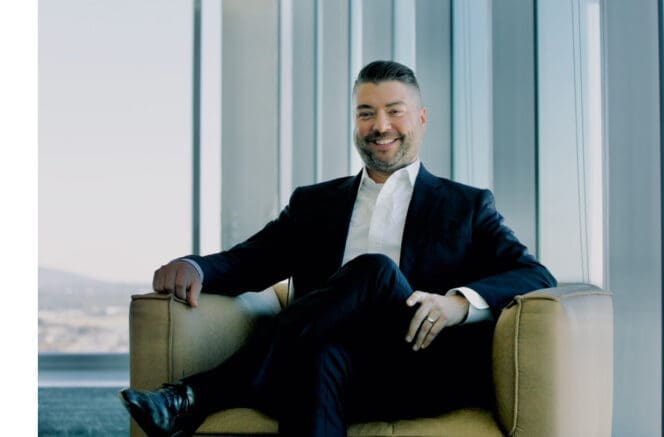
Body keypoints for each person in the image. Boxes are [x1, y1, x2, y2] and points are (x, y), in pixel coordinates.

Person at [120, 60, 556, 437]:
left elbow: (535, 276)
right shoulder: (315, 204)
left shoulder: (466, 205)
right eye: (366, 113)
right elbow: (253, 260)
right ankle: (200, 394)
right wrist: (196, 267)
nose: (380, 125)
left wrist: (458, 304)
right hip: (328, 363)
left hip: (421, 366)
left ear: (421, 118)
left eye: (394, 111)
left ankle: (198, 395)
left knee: (376, 272)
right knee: (320, 353)